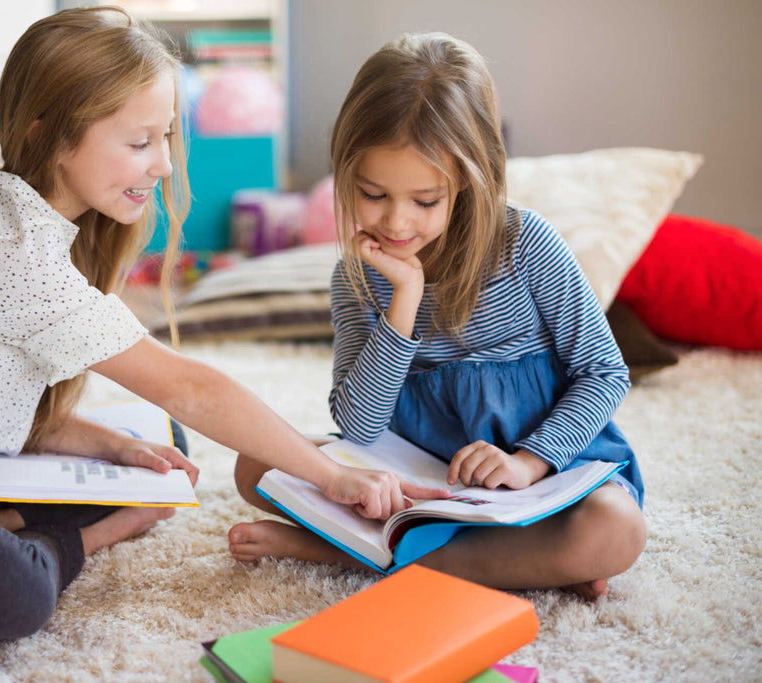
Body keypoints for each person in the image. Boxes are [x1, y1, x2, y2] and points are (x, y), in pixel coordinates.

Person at [0, 8, 435, 640]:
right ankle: (86, 532)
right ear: (49, 135)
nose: (163, 164)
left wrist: (111, 444)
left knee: (159, 444)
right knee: (9, 587)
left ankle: (9, 515)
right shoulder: (6, 249)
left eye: (166, 136)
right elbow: (190, 386)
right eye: (140, 142)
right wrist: (330, 476)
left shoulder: (28, 217)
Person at [229, 32, 647, 600]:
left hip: (536, 473)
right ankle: (509, 563)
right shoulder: (356, 276)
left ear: (471, 181)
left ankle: (349, 555)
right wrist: (404, 297)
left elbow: (604, 372)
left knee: (615, 529)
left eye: (425, 201)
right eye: (373, 194)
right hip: (417, 480)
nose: (397, 223)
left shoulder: (526, 242)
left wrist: (528, 463)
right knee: (256, 463)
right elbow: (360, 427)